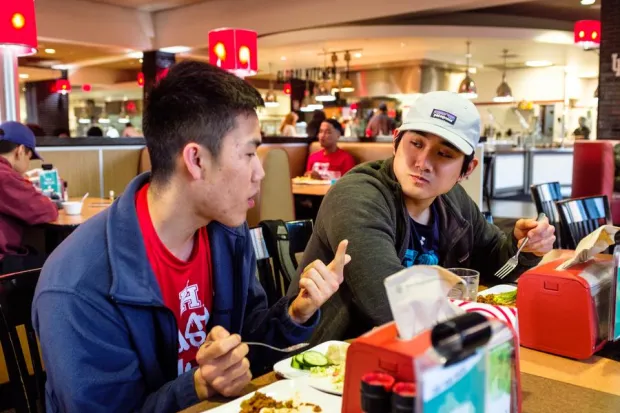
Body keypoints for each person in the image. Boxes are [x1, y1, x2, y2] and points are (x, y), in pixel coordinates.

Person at [32, 61, 351, 413]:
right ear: (196, 159)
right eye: (248, 153)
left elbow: (247, 344)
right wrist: (197, 385)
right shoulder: (78, 284)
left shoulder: (227, 234)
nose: (260, 172)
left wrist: (294, 314)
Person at [289, 91, 555, 343]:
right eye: (416, 143)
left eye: (444, 154)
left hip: (419, 351)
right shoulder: (357, 196)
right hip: (333, 362)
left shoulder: (454, 201)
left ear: (467, 169)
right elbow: (389, 304)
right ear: (396, 142)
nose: (423, 162)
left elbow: (495, 269)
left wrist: (524, 247)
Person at [0, 121, 58, 272]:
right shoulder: (5, 177)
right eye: (29, 157)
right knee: (62, 264)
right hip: (3, 265)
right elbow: (47, 211)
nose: (28, 164)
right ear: (20, 150)